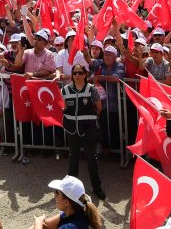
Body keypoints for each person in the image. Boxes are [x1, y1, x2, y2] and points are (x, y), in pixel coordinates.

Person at [61, 64, 106, 200]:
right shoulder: (65, 90)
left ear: (85, 74)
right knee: (73, 158)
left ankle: (97, 188)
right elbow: (63, 107)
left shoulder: (91, 89)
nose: (77, 75)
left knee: (91, 159)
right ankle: (70, 190)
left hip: (89, 129)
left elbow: (99, 108)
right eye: (75, 73)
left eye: (80, 72)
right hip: (71, 129)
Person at [34, 175, 103, 229]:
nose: (54, 195)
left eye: (57, 192)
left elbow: (41, 224)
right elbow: (47, 224)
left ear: (66, 202)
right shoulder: (79, 212)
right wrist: (39, 224)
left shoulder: (69, 227)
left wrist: (38, 223)